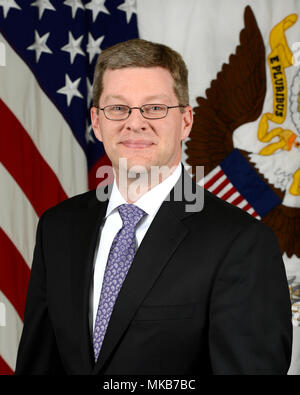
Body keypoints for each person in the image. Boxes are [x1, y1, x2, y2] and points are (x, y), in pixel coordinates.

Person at [15, 39, 292, 375]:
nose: (135, 123)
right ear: (97, 122)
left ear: (186, 121)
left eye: (155, 108)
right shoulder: (57, 228)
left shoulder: (242, 243)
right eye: (118, 108)